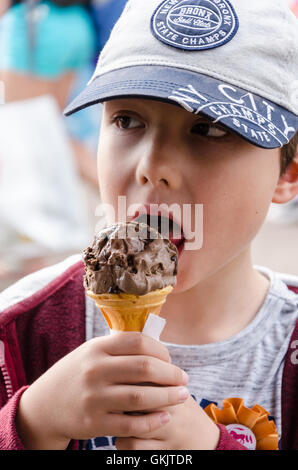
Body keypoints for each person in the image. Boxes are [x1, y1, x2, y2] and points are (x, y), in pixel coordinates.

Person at [0, 0, 298, 451]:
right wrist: (31, 424)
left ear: (287, 174)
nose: (152, 166)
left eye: (210, 130)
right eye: (127, 120)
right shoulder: (22, 328)